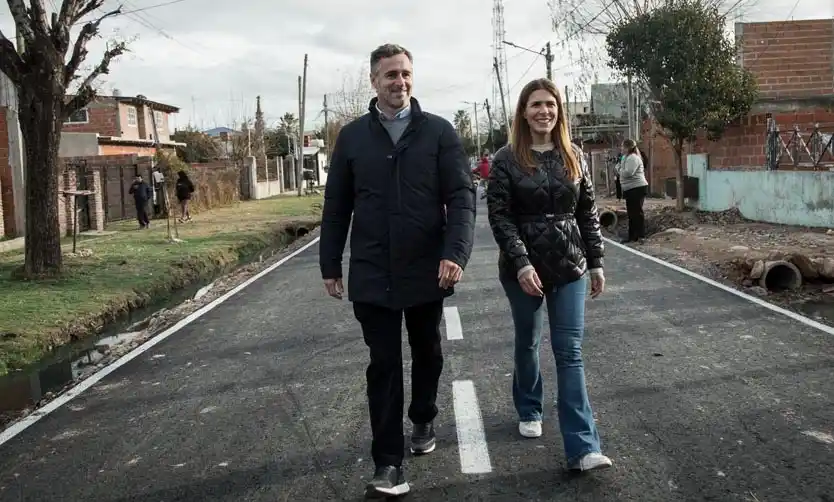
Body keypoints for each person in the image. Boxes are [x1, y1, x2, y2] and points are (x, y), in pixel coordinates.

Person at [318, 43, 476, 498]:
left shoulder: (440, 133)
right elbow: (336, 207)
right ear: (374, 80)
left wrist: (455, 253)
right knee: (383, 364)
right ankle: (388, 463)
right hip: (371, 270)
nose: (399, 82)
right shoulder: (351, 138)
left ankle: (423, 415)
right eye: (390, 75)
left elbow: (462, 198)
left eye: (405, 73)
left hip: (428, 268)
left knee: (427, 350)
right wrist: (331, 262)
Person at [486, 78, 613, 473]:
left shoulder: (574, 155)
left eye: (551, 104)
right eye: (537, 104)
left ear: (559, 111)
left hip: (569, 266)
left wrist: (596, 261)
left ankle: (583, 447)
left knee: (569, 352)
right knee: (528, 340)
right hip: (522, 269)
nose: (545, 111)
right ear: (524, 111)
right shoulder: (506, 159)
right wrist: (522, 262)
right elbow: (500, 217)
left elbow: (587, 214)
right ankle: (529, 406)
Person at [615, 139, 648, 242]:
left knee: (637, 213)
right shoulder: (625, 157)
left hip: (637, 188)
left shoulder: (633, 158)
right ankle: (632, 236)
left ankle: (640, 235)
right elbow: (619, 167)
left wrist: (619, 170)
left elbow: (628, 172)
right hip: (630, 189)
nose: (621, 148)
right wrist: (619, 168)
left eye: (623, 147)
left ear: (628, 148)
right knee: (631, 213)